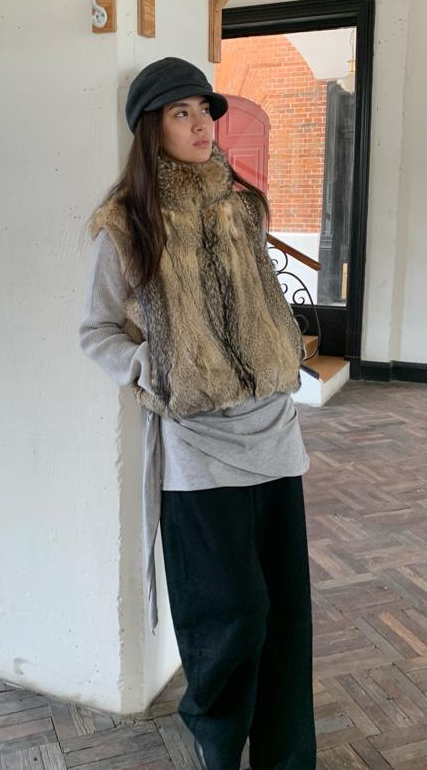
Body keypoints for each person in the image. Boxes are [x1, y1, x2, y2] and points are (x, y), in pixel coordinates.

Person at [79, 57, 316, 770]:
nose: (200, 124)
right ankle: (218, 743)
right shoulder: (127, 224)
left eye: (204, 109)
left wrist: (279, 349)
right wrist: (149, 368)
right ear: (150, 129)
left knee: (286, 616)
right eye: (180, 112)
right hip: (197, 451)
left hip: (274, 436)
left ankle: (286, 759)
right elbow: (95, 332)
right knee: (230, 614)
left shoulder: (242, 208)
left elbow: (264, 299)